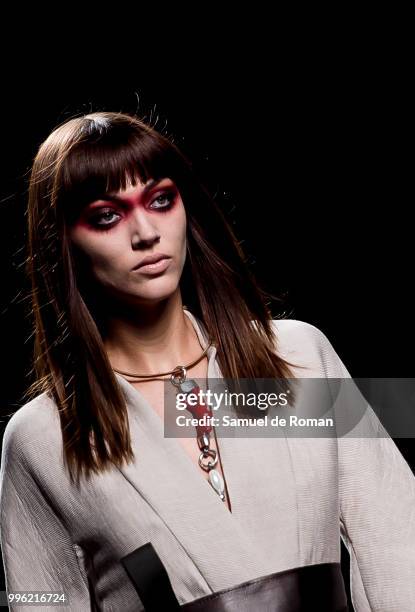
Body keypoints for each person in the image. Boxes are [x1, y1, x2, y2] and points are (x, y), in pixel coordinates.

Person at [0, 111, 414, 612]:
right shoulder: (41, 436)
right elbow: (37, 598)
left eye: (160, 199)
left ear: (185, 207)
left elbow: (397, 536)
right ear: (62, 242)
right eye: (107, 215)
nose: (146, 232)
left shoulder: (299, 356)